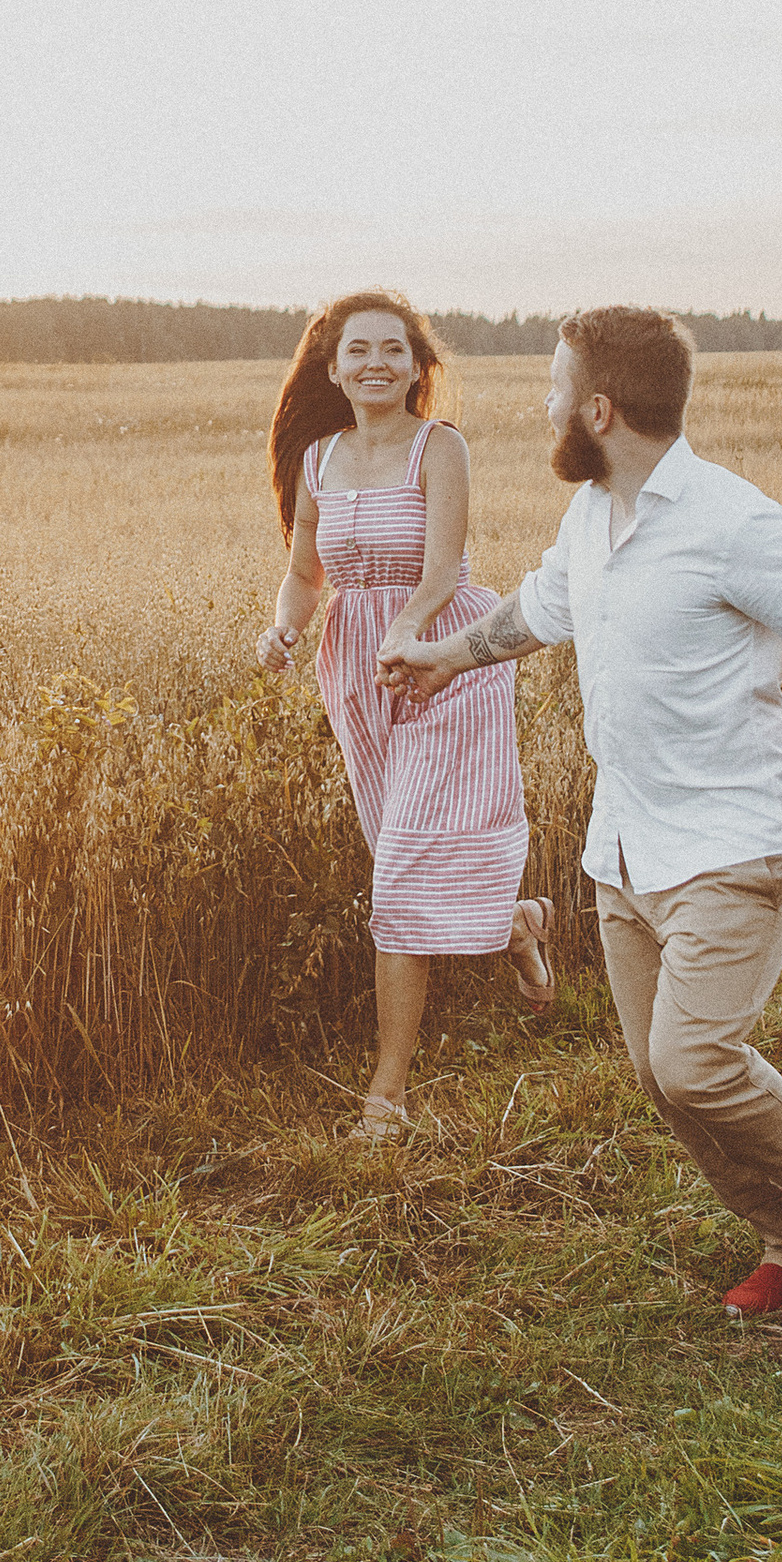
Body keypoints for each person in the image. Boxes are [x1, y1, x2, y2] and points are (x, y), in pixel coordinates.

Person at [383, 305, 782, 1312]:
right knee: (663, 1084)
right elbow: (542, 606)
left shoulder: (730, 522)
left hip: (732, 845)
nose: (543, 405)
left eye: (555, 388)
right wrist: (444, 659)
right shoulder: (593, 514)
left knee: (694, 1062)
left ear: (599, 410)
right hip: (624, 849)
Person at [258, 289, 554, 1139]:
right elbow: (306, 574)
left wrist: (412, 635)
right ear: (332, 367)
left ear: (420, 367)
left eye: (394, 349)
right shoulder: (318, 460)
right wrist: (284, 628)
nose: (376, 363)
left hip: (442, 662)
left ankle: (385, 1092)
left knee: (398, 878)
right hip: (356, 671)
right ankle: (520, 922)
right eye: (359, 351)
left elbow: (442, 567)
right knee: (402, 850)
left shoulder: (440, 446)